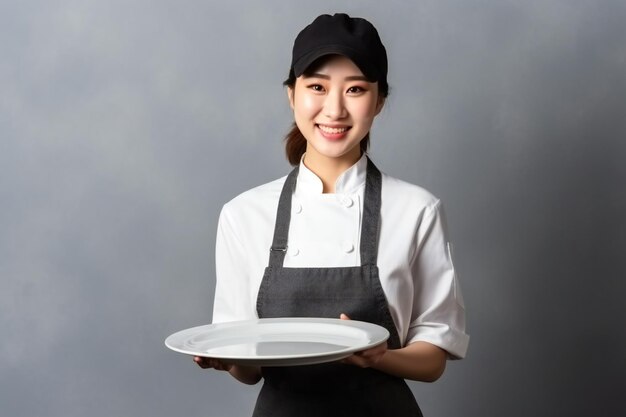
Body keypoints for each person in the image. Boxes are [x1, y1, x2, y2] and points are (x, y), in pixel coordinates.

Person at [194, 13, 469, 417]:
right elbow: (249, 369)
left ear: (379, 100)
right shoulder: (244, 214)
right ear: (292, 94)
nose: (335, 109)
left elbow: (433, 359)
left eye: (355, 89)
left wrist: (379, 358)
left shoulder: (416, 210)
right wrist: (228, 360)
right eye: (317, 87)